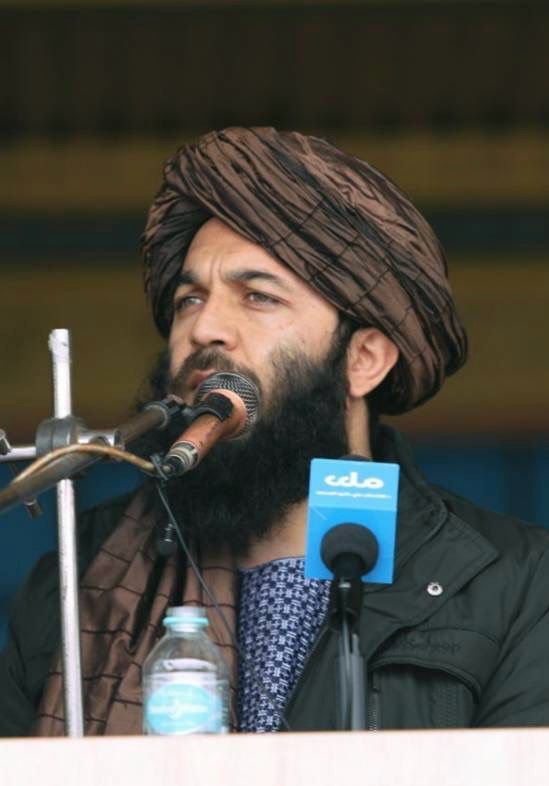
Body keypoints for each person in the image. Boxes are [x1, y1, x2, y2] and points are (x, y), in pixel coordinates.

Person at [1, 126, 549, 736]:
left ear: (365, 359)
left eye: (258, 297)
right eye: (189, 299)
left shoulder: (516, 583)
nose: (204, 328)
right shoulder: (76, 580)